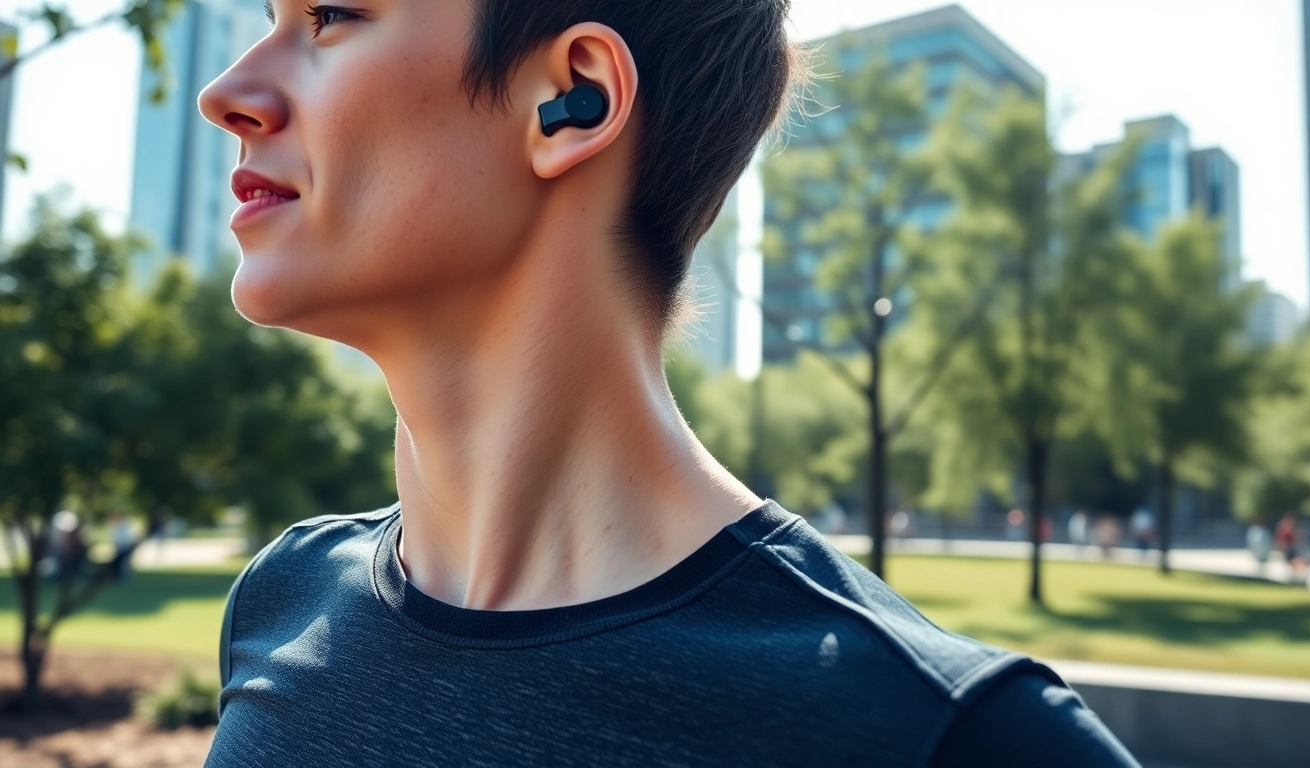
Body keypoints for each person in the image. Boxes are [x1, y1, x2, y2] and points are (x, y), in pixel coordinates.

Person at [197, 2, 1138, 766]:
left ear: (574, 97)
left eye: (328, 16)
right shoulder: (283, 604)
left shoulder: (948, 736)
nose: (226, 93)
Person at [1276, 511, 1309, 581]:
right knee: (1294, 561)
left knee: (1295, 561)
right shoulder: (1285, 527)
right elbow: (1281, 539)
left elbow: (1298, 537)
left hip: (1292, 547)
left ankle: (1296, 575)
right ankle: (1296, 576)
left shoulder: (1290, 527)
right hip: (1288, 547)